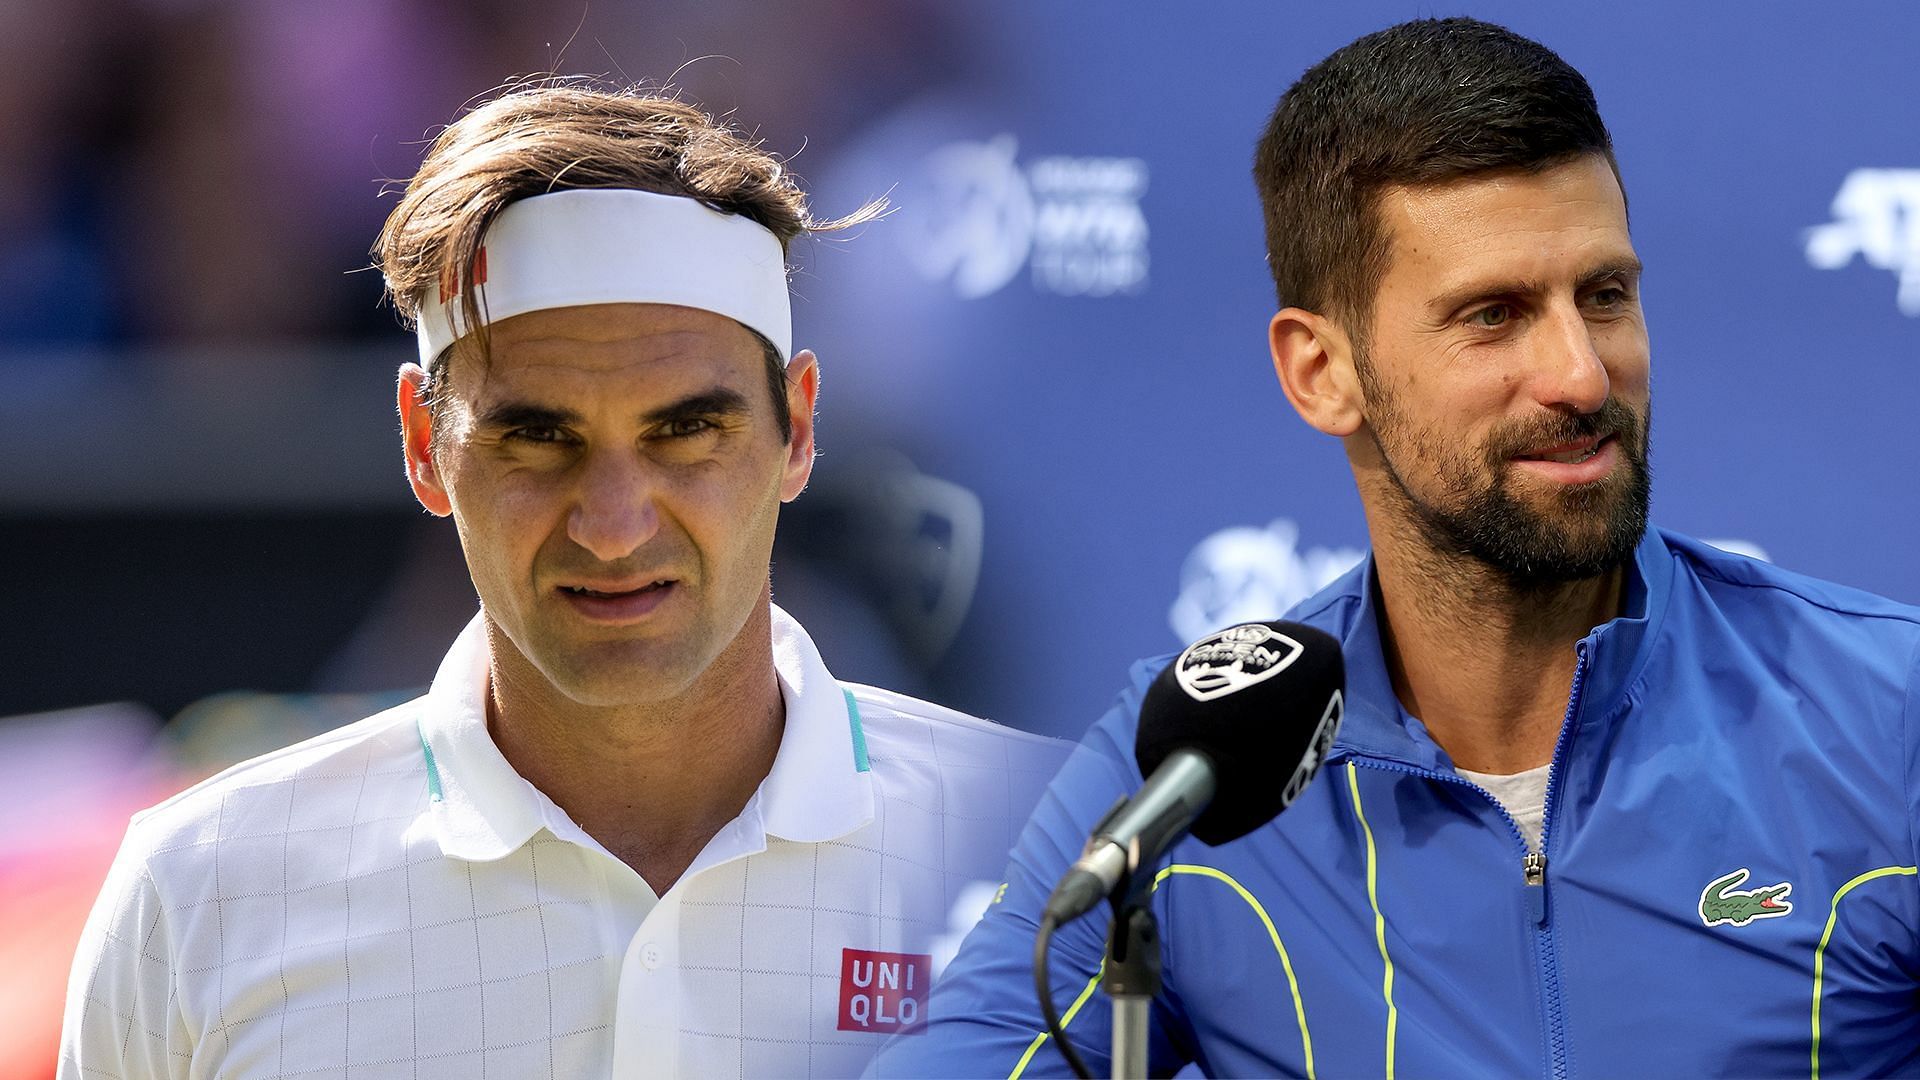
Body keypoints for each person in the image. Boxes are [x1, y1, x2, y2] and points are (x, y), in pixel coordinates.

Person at [886, 18, 1920, 1078]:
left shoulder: (1888, 720)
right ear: (1320, 372)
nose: (1581, 374)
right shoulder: (1192, 777)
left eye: (1603, 296)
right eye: (1493, 315)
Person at [59, 84, 1067, 1079]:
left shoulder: (1071, 858)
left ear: (797, 430)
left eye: (686, 432)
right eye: (536, 439)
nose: (614, 527)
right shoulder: (200, 892)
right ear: (423, 446)